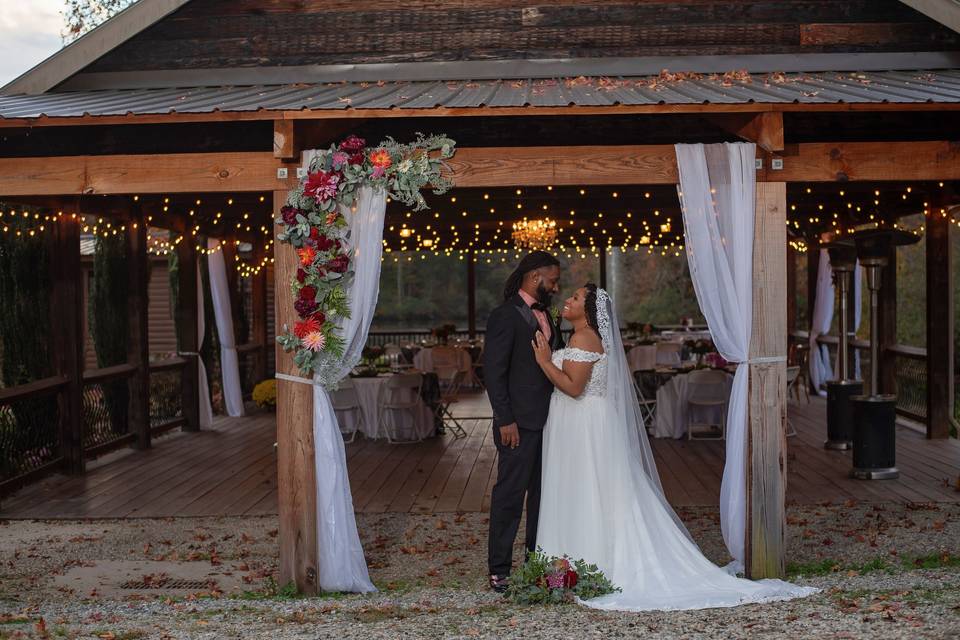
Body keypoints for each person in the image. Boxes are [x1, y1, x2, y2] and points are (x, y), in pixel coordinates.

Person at [531, 284, 818, 611]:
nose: (568, 300)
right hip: (577, 422)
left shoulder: (584, 339)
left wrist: (543, 360)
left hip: (584, 424)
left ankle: (589, 562)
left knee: (587, 489)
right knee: (589, 489)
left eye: (576, 298)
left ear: (591, 311)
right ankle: (569, 566)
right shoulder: (577, 337)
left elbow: (572, 385)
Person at [483, 251, 562, 593]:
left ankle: (535, 563)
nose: (557, 288)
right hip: (518, 423)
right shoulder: (505, 315)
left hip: (552, 422)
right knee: (510, 495)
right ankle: (499, 569)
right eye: (553, 281)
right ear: (535, 277)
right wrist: (505, 419)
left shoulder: (548, 316)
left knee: (544, 496)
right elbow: (493, 372)